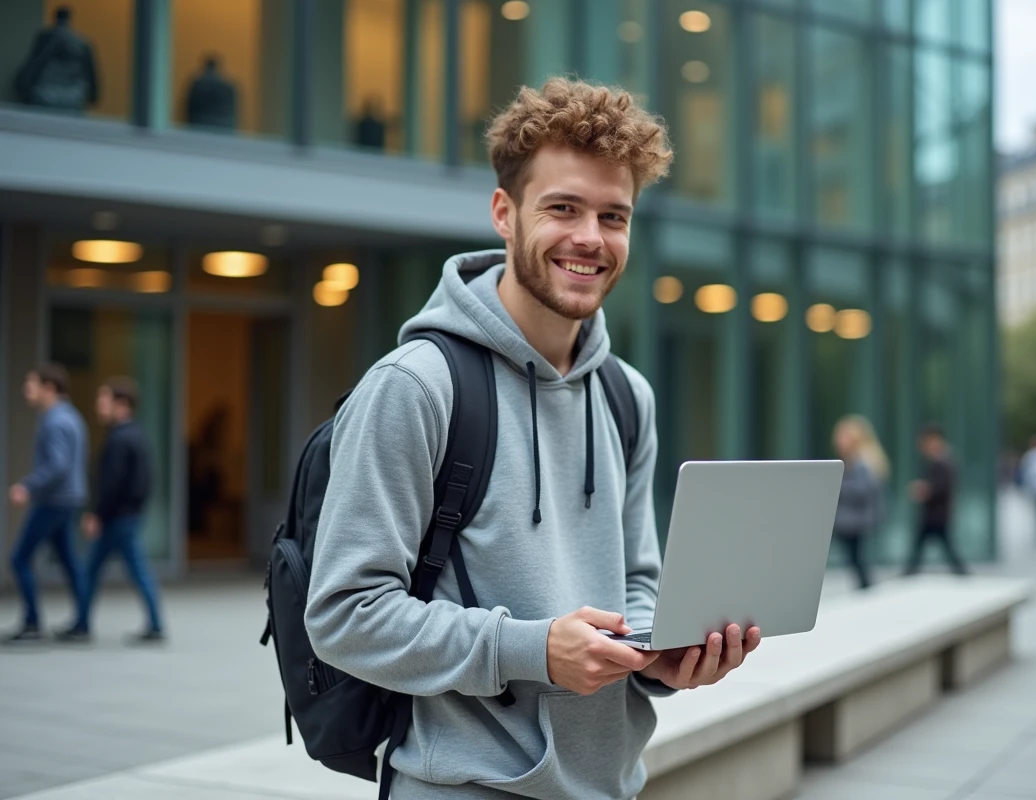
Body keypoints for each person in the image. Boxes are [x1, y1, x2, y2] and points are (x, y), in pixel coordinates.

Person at [304, 78, 761, 799]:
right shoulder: (416, 387)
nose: (590, 238)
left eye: (615, 215)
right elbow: (345, 616)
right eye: (563, 208)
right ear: (504, 213)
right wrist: (532, 649)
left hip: (610, 784)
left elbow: (635, 577)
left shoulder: (624, 395)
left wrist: (658, 652)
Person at [57, 378, 165, 644]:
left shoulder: (120, 439)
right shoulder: (135, 435)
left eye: (104, 400)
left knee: (96, 570)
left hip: (117, 519)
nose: (99, 406)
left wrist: (97, 514)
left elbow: (112, 483)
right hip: (126, 516)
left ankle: (83, 624)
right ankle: (151, 623)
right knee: (118, 570)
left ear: (122, 404)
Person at [5, 364, 89, 643]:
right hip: (68, 499)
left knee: (19, 558)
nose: (26, 391)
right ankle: (82, 623)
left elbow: (58, 465)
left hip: (53, 501)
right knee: (68, 561)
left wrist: (27, 486)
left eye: (31, 385)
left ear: (49, 388)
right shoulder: (71, 418)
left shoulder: (56, 421)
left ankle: (32, 623)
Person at [831, 415, 889, 590]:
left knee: (858, 561)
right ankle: (865, 589)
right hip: (852, 520)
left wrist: (836, 485)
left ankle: (867, 590)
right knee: (856, 560)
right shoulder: (855, 461)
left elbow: (863, 490)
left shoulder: (862, 462)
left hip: (856, 521)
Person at [903, 424, 969, 576]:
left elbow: (941, 487)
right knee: (927, 546)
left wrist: (924, 490)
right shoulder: (939, 460)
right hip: (934, 513)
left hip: (937, 514)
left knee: (941, 546)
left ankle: (910, 572)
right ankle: (909, 572)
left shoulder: (943, 461)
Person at [13, 6, 100, 112]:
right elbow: (90, 72)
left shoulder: (45, 39)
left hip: (46, 96)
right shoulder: (81, 43)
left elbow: (33, 64)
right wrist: (93, 96)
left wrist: (24, 88)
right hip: (71, 98)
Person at [185, 55, 238, 130]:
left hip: (200, 126)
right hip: (222, 127)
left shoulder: (198, 85)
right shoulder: (227, 86)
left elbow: (190, 108)